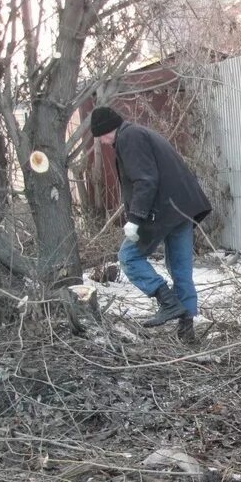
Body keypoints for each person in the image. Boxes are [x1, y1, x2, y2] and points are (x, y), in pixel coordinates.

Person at [90, 106, 212, 344]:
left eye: (101, 136)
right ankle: (187, 335)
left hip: (164, 211)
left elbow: (146, 180)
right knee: (181, 270)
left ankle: (167, 302)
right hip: (181, 209)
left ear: (107, 129)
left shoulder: (129, 138)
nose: (103, 142)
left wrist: (135, 218)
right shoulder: (140, 133)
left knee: (128, 257)